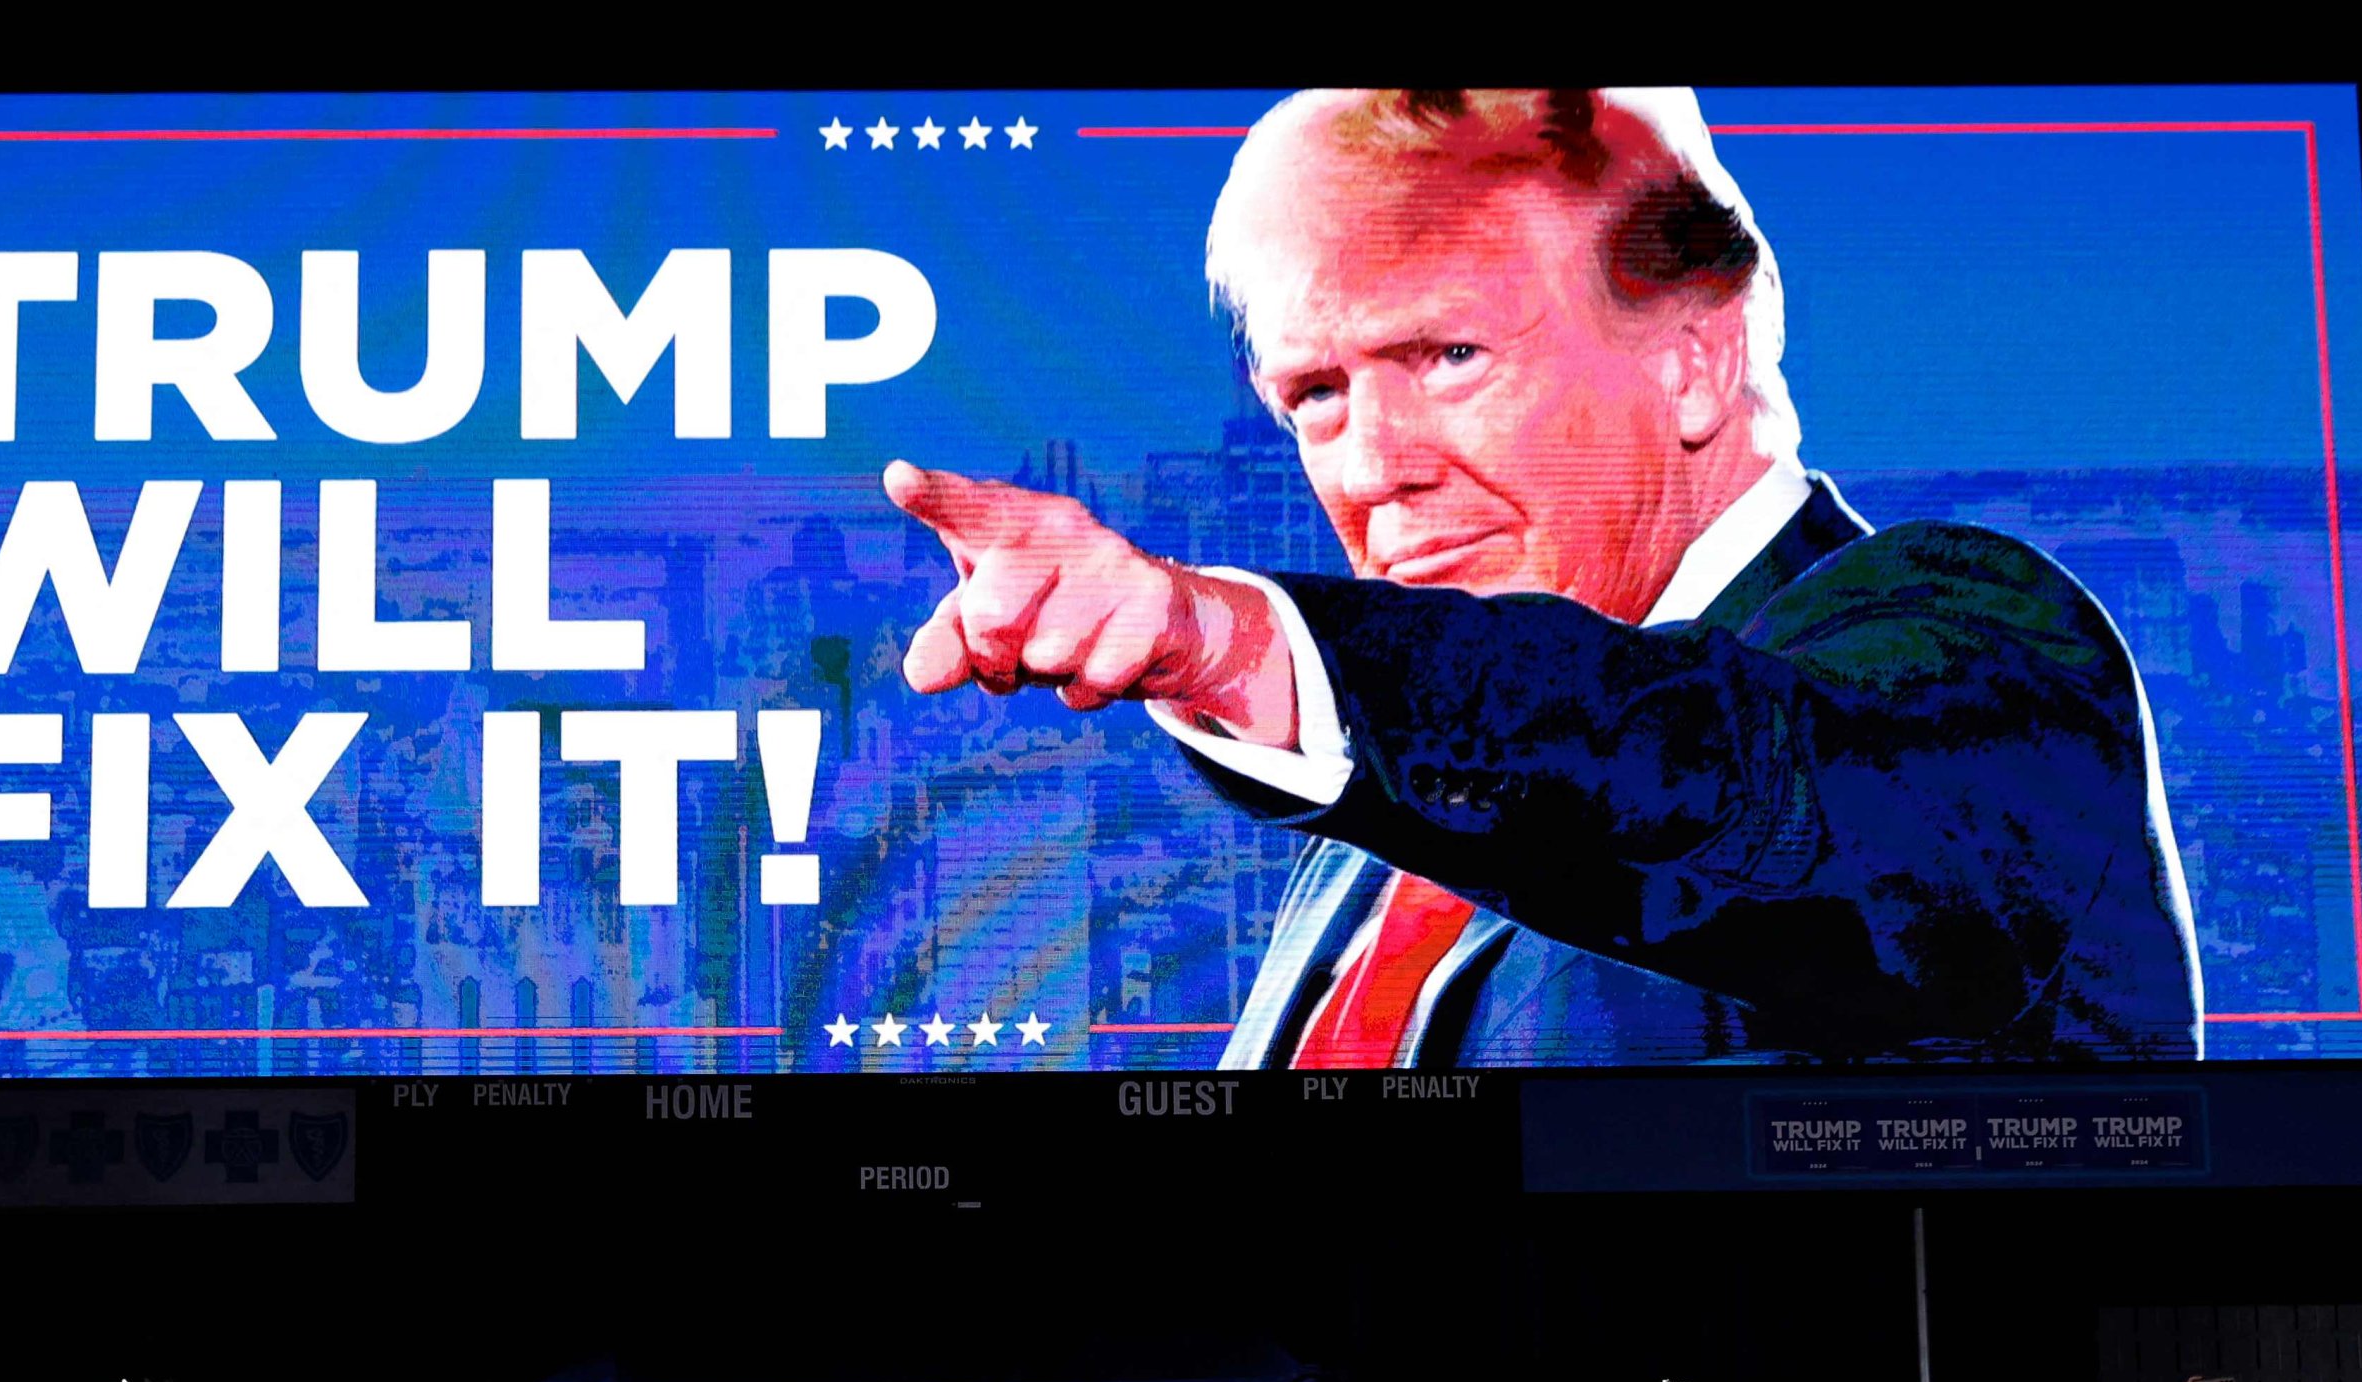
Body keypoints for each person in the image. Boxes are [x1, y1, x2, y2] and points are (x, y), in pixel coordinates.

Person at [881, 85, 2202, 1068]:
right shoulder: (1376, 843)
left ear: (1691, 356)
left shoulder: (1976, 653)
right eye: (1315, 394)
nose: (1370, 467)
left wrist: (1224, 640)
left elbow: (1704, 777)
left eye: (1447, 356)